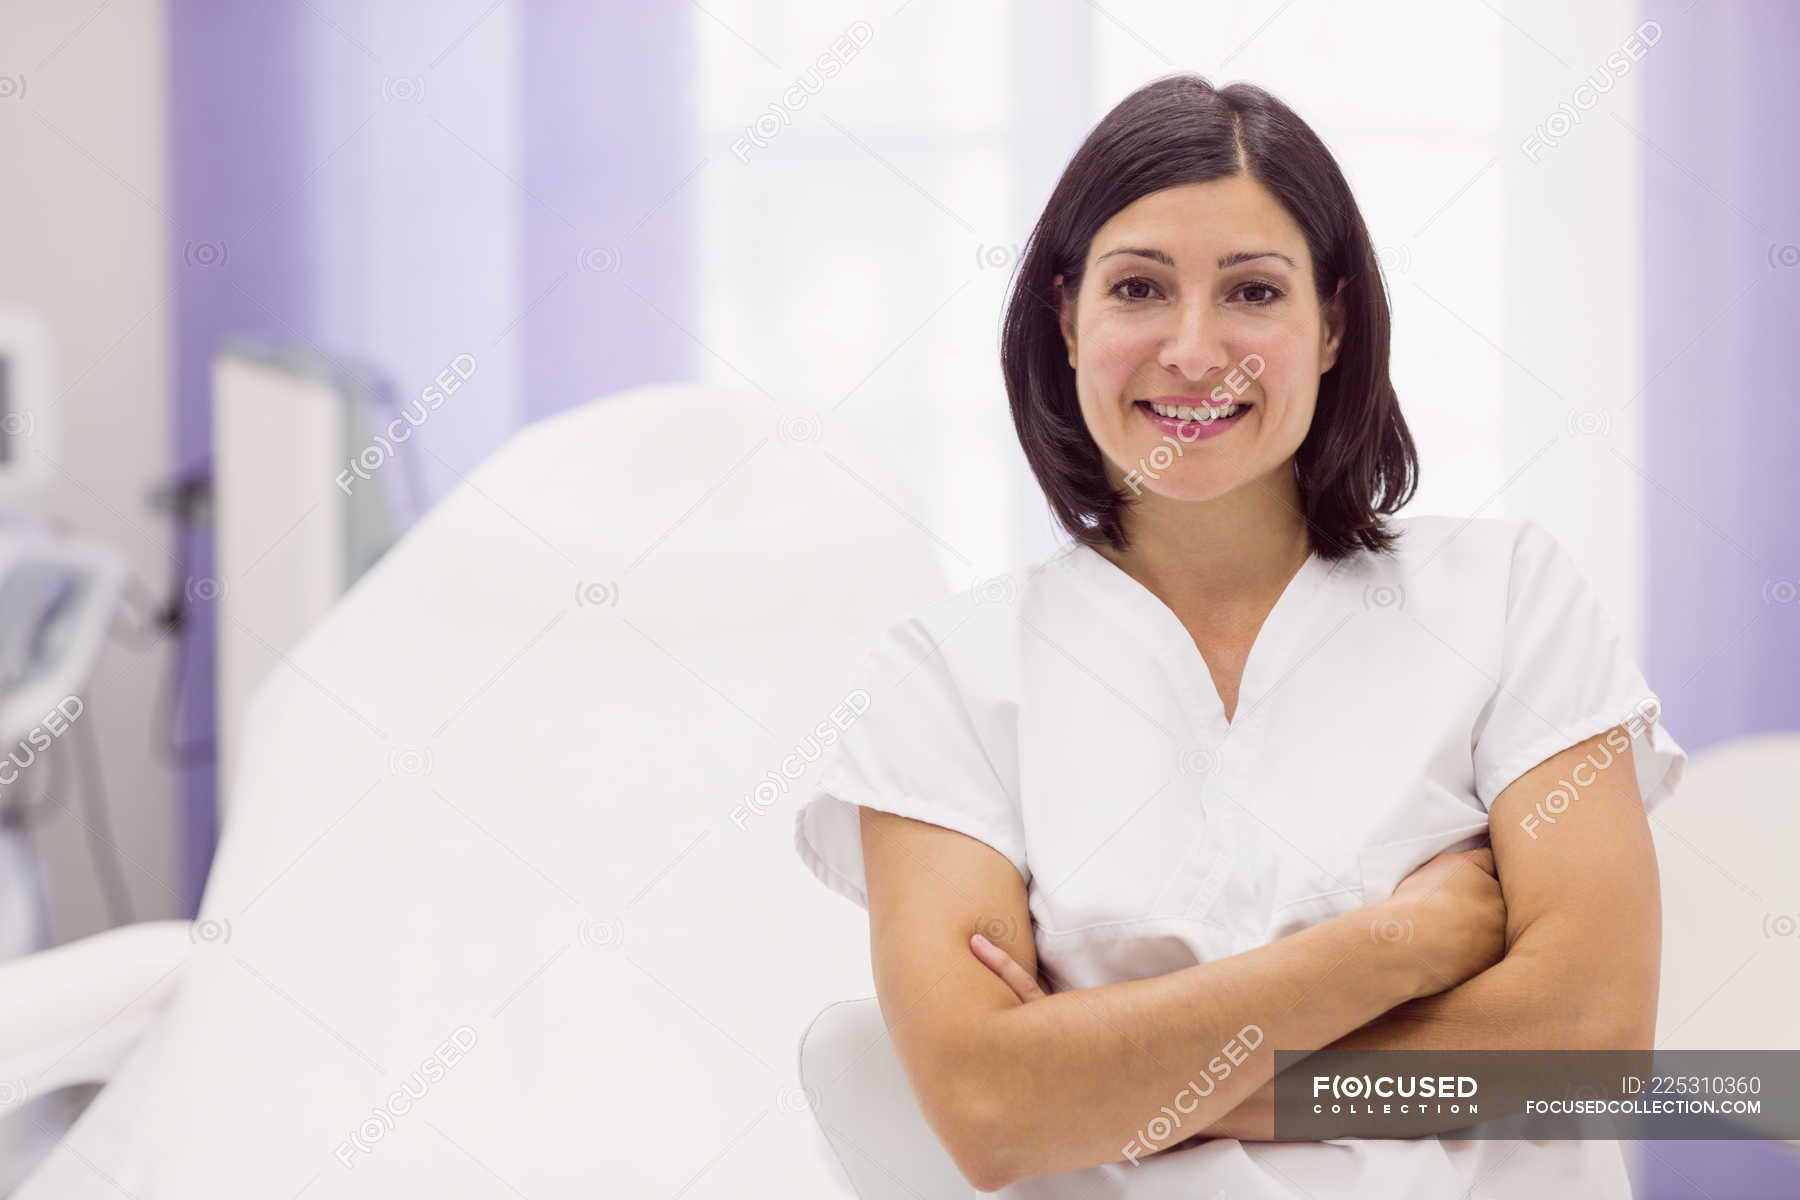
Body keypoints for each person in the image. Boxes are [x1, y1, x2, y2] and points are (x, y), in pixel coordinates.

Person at [794, 73, 1685, 1197]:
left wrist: (1121, 1088)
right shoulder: (947, 676)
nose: (1196, 348)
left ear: (1333, 325)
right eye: (1139, 288)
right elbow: (989, 1109)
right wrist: (1397, 950)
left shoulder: (1509, 597)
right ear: (1068, 320)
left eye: (1255, 292)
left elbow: (1589, 1043)